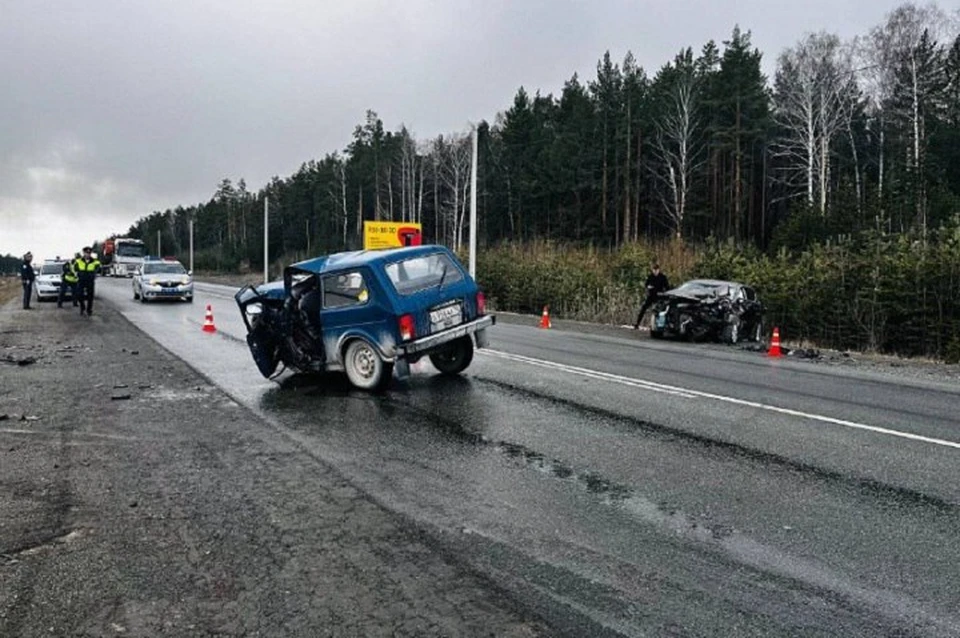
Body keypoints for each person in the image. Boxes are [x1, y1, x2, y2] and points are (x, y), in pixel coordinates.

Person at [633, 263, 670, 330]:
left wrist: (664, 293)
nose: (655, 272)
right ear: (652, 270)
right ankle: (637, 323)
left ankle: (658, 325)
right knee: (644, 308)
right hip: (651, 295)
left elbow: (667, 287)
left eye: (656, 270)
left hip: (659, 296)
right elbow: (646, 284)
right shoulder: (650, 276)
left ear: (659, 270)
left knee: (659, 311)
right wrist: (648, 287)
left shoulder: (662, 277)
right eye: (654, 270)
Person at [74, 247, 102, 317]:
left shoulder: (95, 261)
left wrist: (95, 275)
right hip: (81, 280)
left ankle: (89, 310)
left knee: (90, 296)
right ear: (83, 253)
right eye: (86, 253)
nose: (87, 254)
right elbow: (74, 269)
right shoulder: (78, 261)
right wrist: (77, 275)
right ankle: (82, 307)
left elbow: (99, 270)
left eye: (89, 253)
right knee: (79, 295)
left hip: (90, 280)